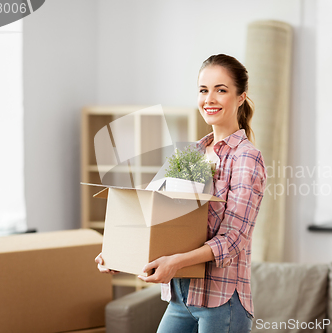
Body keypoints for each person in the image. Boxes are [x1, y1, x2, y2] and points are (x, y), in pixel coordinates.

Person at [95, 54, 267, 333]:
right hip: (180, 298)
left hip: (222, 302)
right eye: (203, 90)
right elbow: (152, 213)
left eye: (220, 90)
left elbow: (234, 239)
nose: (209, 99)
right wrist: (118, 253)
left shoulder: (247, 158)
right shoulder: (190, 153)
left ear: (240, 98)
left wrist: (173, 262)